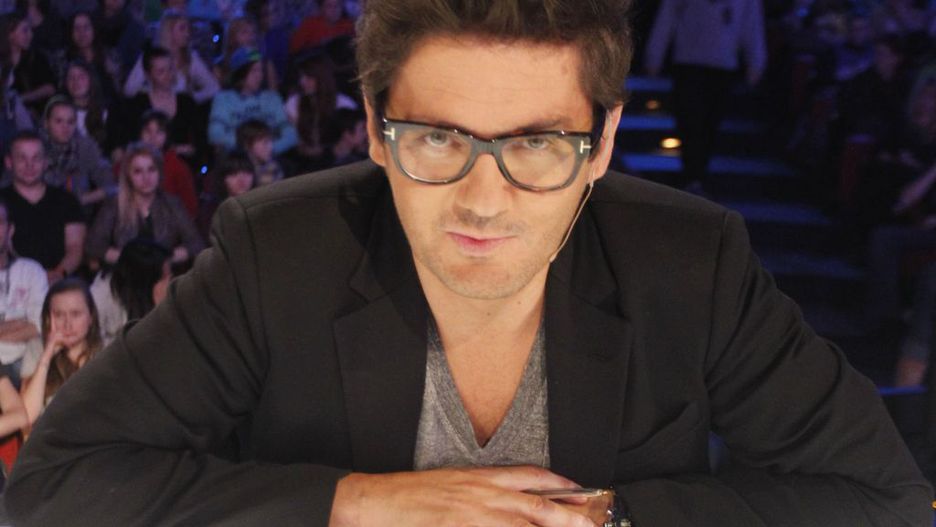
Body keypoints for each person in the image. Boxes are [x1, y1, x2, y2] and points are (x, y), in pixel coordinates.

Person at [5, 2, 933, 526]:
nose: (484, 200)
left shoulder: (693, 262)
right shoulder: (274, 252)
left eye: (538, 143)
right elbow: (56, 483)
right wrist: (358, 504)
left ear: (605, 142)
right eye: (440, 138)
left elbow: (879, 496)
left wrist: (603, 518)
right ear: (375, 127)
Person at [644, 0, 767, 191]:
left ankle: (698, 173)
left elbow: (751, 23)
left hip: (722, 64)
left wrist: (756, 61)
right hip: (688, 62)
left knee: (710, 122)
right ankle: (691, 173)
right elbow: (668, 15)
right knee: (688, 119)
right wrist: (654, 54)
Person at [86, 142, 203, 269]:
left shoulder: (172, 203)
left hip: (164, 274)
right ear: (128, 176)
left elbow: (196, 244)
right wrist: (132, 260)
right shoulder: (114, 204)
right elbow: (93, 246)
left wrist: (163, 259)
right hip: (124, 274)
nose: (146, 177)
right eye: (138, 171)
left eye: (151, 169)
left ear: (159, 172)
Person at [0, 131, 85, 284]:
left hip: (59, 283)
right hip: (9, 283)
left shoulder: (67, 201)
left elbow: (75, 247)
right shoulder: (1, 202)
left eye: (36, 158)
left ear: (46, 162)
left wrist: (57, 274)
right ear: (9, 162)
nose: (29, 165)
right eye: (22, 158)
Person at [19, 278, 102, 427]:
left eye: (75, 314)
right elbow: (28, 416)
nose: (67, 324)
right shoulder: (37, 348)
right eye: (59, 315)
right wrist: (47, 356)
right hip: (51, 438)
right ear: (48, 319)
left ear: (91, 317)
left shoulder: (107, 351)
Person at [208, 47, 296, 155]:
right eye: (254, 70)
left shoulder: (272, 98)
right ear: (241, 73)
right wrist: (249, 147)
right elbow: (215, 134)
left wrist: (269, 149)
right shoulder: (224, 99)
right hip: (238, 157)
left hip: (270, 155)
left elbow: (290, 134)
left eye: (261, 70)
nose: (259, 75)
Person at [122, 9, 220, 105]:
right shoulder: (149, 56)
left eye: (188, 29)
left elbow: (214, 88)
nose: (187, 34)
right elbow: (129, 90)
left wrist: (190, 98)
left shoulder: (191, 58)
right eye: (182, 29)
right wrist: (152, 96)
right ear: (168, 31)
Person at [0, 197, 47, 389]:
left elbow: (38, 325)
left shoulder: (32, 271)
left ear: (10, 229)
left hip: (24, 362)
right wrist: (20, 322)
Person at [90, 237, 170, 346]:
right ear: (146, 282)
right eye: (164, 278)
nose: (170, 282)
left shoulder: (157, 298)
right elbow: (94, 345)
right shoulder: (99, 298)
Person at [39, 97, 115, 209]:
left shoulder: (85, 146)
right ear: (46, 123)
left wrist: (81, 200)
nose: (65, 127)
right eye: (59, 121)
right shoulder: (34, 148)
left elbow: (108, 182)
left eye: (70, 122)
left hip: (79, 210)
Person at [136, 109, 198, 218]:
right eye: (147, 131)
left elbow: (190, 208)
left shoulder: (177, 167)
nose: (152, 137)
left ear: (167, 136)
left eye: (159, 132)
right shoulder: (129, 163)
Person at [0, 11, 55, 120]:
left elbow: (50, 88)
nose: (31, 35)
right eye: (25, 31)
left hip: (33, 114)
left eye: (31, 30)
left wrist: (21, 98)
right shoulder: (2, 60)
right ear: (10, 34)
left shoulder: (37, 57)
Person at [195, 149, 255, 239]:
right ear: (223, 178)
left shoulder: (259, 206)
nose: (242, 179)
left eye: (247, 172)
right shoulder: (211, 212)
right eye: (234, 174)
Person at [236, 119, 283, 186]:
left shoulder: (279, 168)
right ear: (246, 145)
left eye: (270, 141)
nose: (270, 147)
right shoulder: (239, 176)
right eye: (265, 143)